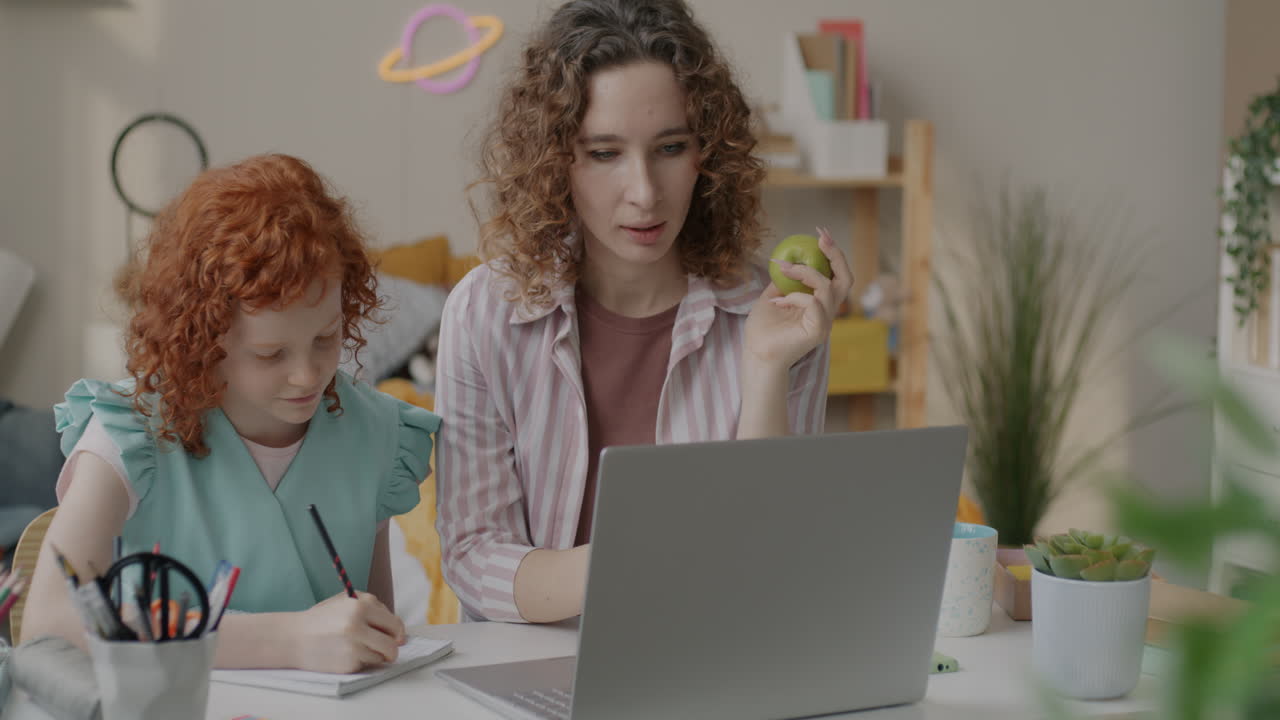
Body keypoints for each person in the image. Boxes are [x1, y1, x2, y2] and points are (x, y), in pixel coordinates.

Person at [435, 0, 852, 624]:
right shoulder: (485, 313)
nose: (645, 192)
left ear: (706, 152)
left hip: (709, 656)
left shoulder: (775, 313)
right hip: (538, 664)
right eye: (604, 153)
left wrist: (766, 366)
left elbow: (772, 563)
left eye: (670, 147)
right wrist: (646, 558)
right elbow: (473, 557)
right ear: (556, 161)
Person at [22, 154, 440, 673]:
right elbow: (51, 620)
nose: (308, 375)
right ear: (202, 338)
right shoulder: (130, 432)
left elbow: (376, 641)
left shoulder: (377, 433)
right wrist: (286, 641)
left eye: (326, 337)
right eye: (271, 354)